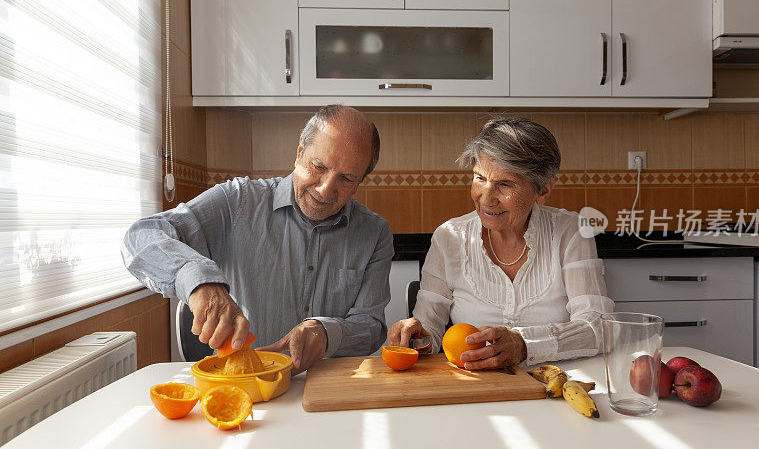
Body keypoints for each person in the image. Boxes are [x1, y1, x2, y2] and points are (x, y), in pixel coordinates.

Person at [122, 105, 393, 374]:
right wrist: (199, 282)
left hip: (329, 391)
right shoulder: (236, 201)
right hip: (243, 387)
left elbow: (370, 326)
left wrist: (326, 333)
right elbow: (140, 236)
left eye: (346, 178)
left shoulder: (375, 233)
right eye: (318, 166)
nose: (325, 189)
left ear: (360, 181)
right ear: (300, 152)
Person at [388, 117, 614, 370]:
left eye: (505, 184)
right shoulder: (449, 237)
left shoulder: (571, 232)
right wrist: (417, 336)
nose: (486, 199)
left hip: (558, 383)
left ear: (544, 189)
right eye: (480, 178)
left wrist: (524, 344)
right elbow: (429, 327)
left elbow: (599, 326)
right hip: (477, 388)